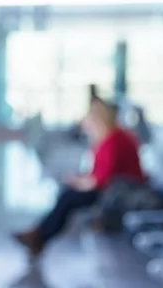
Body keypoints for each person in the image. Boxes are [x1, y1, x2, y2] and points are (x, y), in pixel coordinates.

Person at [13, 98, 144, 257]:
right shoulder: (109, 138)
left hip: (121, 192)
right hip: (114, 188)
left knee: (68, 197)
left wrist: (80, 182)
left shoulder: (114, 140)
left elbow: (102, 180)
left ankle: (39, 235)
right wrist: (80, 180)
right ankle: (39, 234)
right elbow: (100, 173)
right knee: (67, 194)